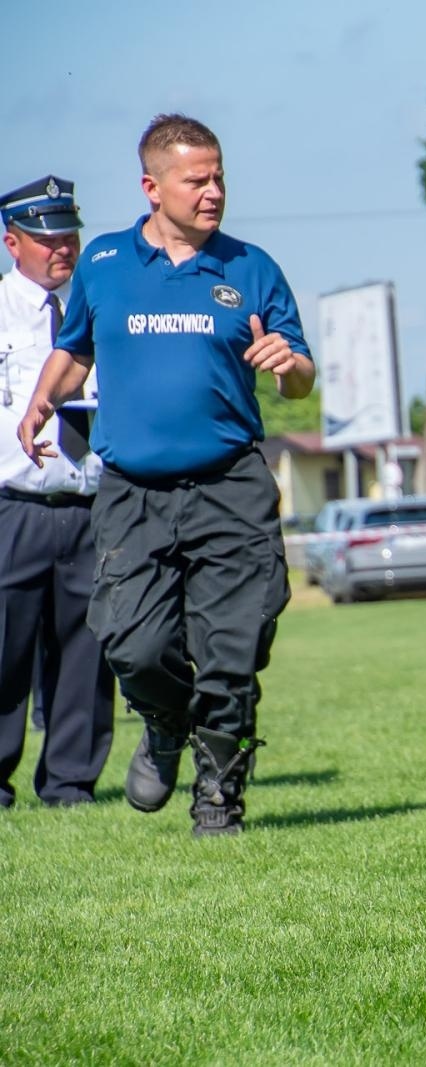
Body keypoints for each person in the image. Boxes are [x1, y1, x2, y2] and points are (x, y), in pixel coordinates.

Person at [18, 114, 315, 836]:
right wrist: (41, 400)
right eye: (196, 180)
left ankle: (219, 798)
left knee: (233, 647)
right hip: (133, 492)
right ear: (152, 187)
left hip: (230, 484)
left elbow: (301, 375)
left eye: (219, 178)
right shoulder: (105, 262)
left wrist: (289, 365)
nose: (213, 192)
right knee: (133, 642)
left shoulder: (252, 268)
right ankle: (163, 721)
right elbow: (76, 348)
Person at [0, 175, 115, 809]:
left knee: (87, 649)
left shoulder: (101, 309)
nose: (62, 248)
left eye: (69, 236)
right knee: (4, 648)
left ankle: (72, 783)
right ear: (12, 242)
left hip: (91, 503)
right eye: (46, 239)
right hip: (12, 505)